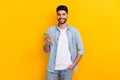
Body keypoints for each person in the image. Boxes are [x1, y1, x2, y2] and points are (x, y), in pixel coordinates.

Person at [43, 5, 84, 80]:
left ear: (67, 15)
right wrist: (47, 43)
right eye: (59, 14)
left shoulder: (74, 32)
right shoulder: (50, 30)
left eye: (63, 14)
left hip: (67, 69)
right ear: (57, 15)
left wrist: (73, 65)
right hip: (52, 69)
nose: (61, 17)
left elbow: (81, 50)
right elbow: (45, 51)